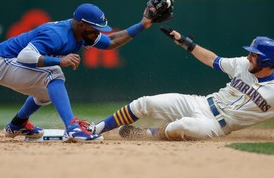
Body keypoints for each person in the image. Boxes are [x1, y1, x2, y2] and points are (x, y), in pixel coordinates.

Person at [0, 2, 154, 142]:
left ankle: (18, 124)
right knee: (53, 73)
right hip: (3, 63)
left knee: (48, 92)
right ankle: (72, 128)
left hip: (10, 64)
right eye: (94, 28)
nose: (97, 33)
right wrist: (59, 60)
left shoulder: (81, 33)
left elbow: (111, 41)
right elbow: (25, 56)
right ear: (81, 24)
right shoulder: (57, 35)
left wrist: (143, 25)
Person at [92, 29, 274, 140]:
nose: (249, 56)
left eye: (254, 55)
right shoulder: (243, 64)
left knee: (180, 126)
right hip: (202, 103)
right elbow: (212, 60)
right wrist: (186, 44)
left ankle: (148, 134)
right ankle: (97, 128)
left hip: (214, 125)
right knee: (145, 102)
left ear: (266, 62)